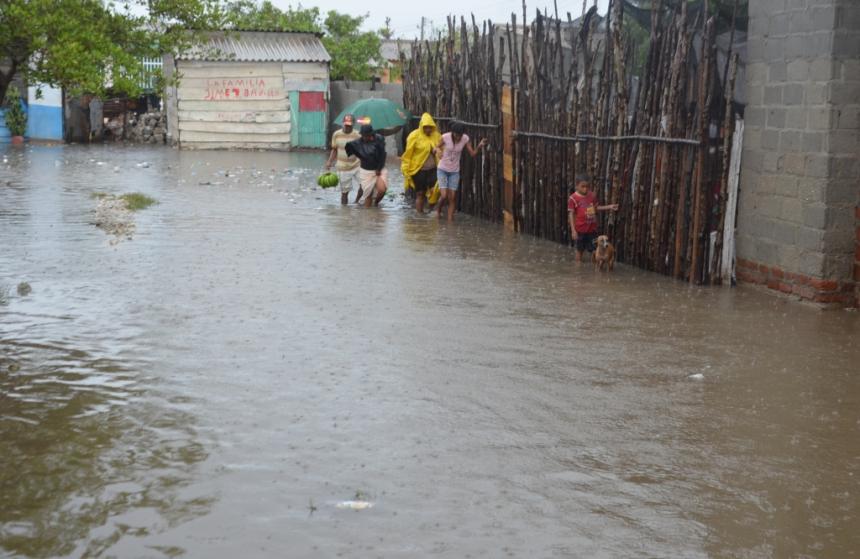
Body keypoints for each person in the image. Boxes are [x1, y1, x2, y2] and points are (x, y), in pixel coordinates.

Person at [434, 121, 487, 222]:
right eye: (456, 135)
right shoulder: (445, 137)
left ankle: (450, 222)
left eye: (460, 135)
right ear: (452, 132)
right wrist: (438, 150)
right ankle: (438, 210)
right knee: (444, 195)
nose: (458, 137)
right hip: (442, 169)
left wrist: (479, 146)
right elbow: (436, 147)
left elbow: (472, 153)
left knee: (452, 197)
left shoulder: (465, 138)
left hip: (454, 171)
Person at [567, 174, 619, 262]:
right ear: (577, 186)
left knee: (595, 251)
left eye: (587, 186)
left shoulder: (592, 196)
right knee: (580, 251)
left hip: (592, 229)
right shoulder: (573, 198)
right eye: (582, 186)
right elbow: (571, 214)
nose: (585, 189)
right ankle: (578, 268)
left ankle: (594, 268)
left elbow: (596, 208)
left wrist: (609, 207)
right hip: (580, 230)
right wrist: (573, 230)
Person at [401, 112, 441, 214]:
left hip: (433, 169)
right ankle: (420, 216)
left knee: (435, 190)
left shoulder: (437, 136)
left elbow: (442, 151)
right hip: (418, 170)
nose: (428, 129)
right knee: (420, 193)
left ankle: (430, 211)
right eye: (426, 127)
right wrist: (405, 168)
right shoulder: (414, 136)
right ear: (421, 126)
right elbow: (408, 154)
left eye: (430, 127)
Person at [345, 124, 388, 208]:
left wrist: (379, 169)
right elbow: (351, 151)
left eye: (368, 135)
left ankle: (375, 203)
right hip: (366, 171)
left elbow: (383, 156)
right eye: (364, 136)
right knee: (368, 194)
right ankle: (367, 213)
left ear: (372, 134)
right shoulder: (358, 143)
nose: (366, 137)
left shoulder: (379, 139)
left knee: (382, 190)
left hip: (379, 169)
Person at [325, 114, 361, 205]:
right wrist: (329, 161)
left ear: (353, 124)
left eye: (349, 125)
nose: (347, 127)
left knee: (365, 184)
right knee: (344, 192)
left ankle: (356, 202)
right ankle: (344, 210)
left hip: (357, 165)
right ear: (343, 124)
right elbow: (334, 149)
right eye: (346, 125)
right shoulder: (336, 134)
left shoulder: (358, 135)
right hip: (343, 167)